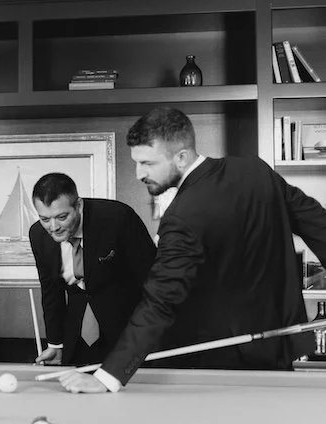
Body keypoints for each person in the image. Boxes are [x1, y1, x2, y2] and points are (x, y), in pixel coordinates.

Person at [59, 107, 326, 394]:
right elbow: (319, 226)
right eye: (136, 162)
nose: (139, 173)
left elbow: (160, 300)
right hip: (275, 352)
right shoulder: (255, 170)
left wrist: (108, 377)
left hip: (215, 365)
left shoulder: (181, 216)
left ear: (182, 157)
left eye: (148, 163)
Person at [29, 173, 155, 366]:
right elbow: (51, 291)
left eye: (62, 217)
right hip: (77, 331)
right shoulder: (38, 234)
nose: (53, 227)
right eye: (45, 219)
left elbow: (151, 279)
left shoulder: (117, 218)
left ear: (78, 205)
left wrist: (147, 335)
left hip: (127, 327)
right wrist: (56, 344)